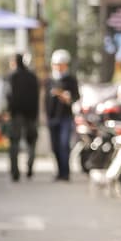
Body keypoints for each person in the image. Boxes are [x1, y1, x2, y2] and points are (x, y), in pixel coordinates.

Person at [46, 48, 80, 181]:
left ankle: (66, 173)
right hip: (52, 116)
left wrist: (66, 97)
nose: (59, 67)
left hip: (65, 117)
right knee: (55, 146)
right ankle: (59, 171)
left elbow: (76, 97)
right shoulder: (50, 80)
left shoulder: (70, 80)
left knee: (64, 144)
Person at [5, 52, 40, 181]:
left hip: (16, 114)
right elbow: (37, 97)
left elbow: (8, 95)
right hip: (31, 114)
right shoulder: (32, 77)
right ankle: (29, 166)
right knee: (31, 142)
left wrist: (8, 111)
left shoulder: (12, 76)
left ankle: (15, 172)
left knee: (14, 142)